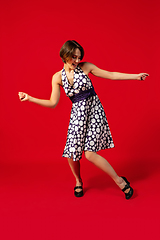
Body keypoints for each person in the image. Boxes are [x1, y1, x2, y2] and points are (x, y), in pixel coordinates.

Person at [18, 40, 149, 199]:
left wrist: (136, 76)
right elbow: (52, 103)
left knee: (89, 154)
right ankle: (78, 181)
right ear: (64, 55)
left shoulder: (86, 67)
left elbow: (111, 75)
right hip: (78, 116)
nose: (77, 61)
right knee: (72, 153)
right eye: (74, 57)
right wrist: (30, 98)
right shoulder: (57, 77)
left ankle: (120, 181)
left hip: (94, 111)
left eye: (79, 57)